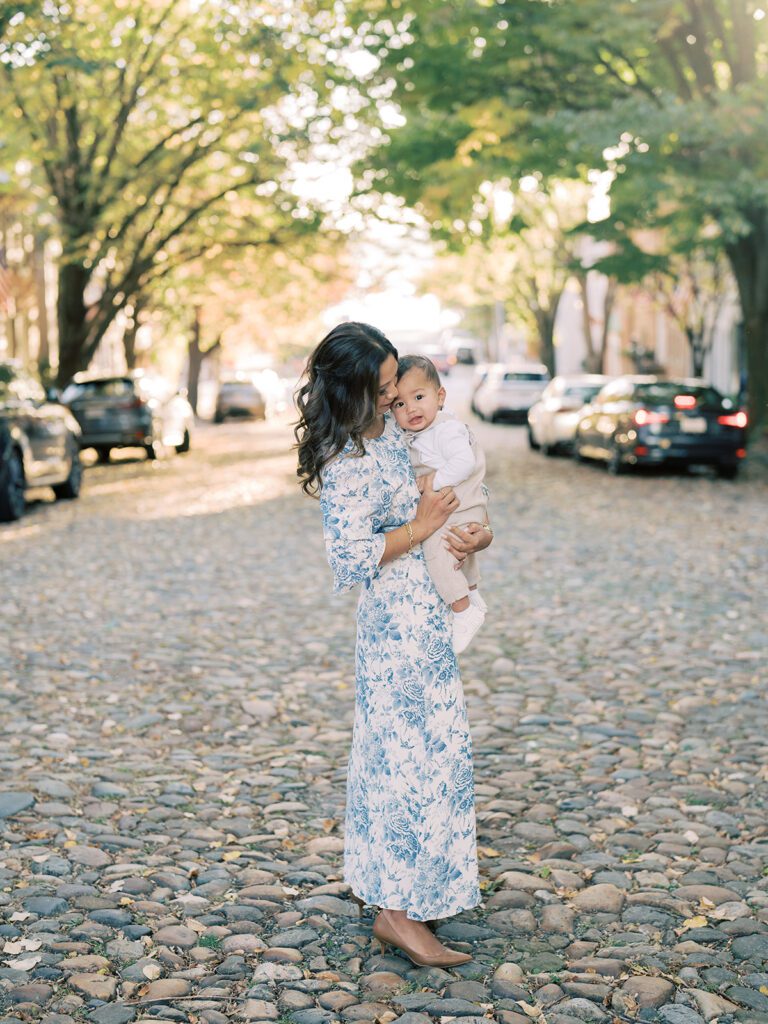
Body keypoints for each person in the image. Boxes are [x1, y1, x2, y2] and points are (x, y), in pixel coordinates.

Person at [295, 322, 493, 968]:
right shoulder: (344, 459)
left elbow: (452, 491)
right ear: (354, 389)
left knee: (438, 756)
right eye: (382, 388)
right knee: (401, 762)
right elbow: (349, 560)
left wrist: (470, 536)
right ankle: (396, 914)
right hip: (393, 626)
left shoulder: (392, 433)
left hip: (429, 612)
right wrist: (419, 528)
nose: (392, 395)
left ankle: (417, 891)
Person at [391, 355, 488, 654]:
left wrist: (432, 482)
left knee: (437, 551)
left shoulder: (446, 429)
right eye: (400, 404)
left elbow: (464, 462)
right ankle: (472, 596)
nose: (411, 409)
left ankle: (462, 610)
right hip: (455, 507)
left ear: (440, 396)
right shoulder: (419, 433)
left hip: (458, 505)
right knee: (455, 550)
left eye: (419, 397)